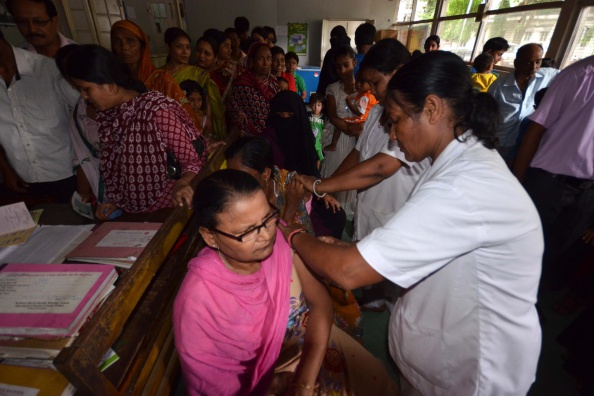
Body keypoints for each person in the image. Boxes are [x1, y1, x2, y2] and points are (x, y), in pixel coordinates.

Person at [286, 50, 543, 395]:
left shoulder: (464, 186)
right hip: (436, 354)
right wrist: (352, 247)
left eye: (396, 121)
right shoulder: (456, 163)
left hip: (469, 374)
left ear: (433, 109)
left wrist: (293, 234)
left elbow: (348, 272)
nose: (393, 136)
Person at [173, 169, 397, 395]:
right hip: (261, 386)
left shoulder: (279, 238)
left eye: (267, 218)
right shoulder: (198, 299)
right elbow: (214, 383)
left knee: (377, 383)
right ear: (210, 236)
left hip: (314, 348)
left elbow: (320, 304)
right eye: (248, 231)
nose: (265, 235)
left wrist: (304, 382)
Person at [299, 39, 429, 312]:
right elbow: (359, 154)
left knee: (398, 282)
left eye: (375, 82)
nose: (368, 90)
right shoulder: (376, 112)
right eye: (366, 83)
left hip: (395, 207)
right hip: (369, 204)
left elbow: (382, 166)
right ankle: (375, 301)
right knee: (370, 263)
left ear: (400, 71)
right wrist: (331, 184)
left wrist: (321, 185)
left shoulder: (412, 118)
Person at [226, 137, 363, 341]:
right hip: (274, 271)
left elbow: (306, 181)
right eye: (231, 175)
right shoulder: (238, 202)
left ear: (265, 173)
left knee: (342, 314)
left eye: (242, 176)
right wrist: (289, 210)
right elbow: (269, 247)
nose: (235, 184)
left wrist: (321, 192)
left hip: (305, 257)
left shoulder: (286, 181)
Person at [65, 44, 205, 219]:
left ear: (110, 86)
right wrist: (116, 202)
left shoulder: (156, 111)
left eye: (86, 89)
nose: (84, 97)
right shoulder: (110, 116)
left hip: (169, 211)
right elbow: (121, 170)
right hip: (135, 214)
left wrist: (183, 183)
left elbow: (192, 162)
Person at [513, 55, 594, 293]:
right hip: (550, 184)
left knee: (554, 254)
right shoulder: (578, 75)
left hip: (588, 193)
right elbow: (536, 129)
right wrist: (517, 182)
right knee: (524, 248)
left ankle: (528, 303)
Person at [0, 28, 78, 203]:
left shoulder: (49, 70)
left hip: (67, 176)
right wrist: (5, 169)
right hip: (21, 181)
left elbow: (87, 114)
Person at [110, 21, 204, 133]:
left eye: (130, 41)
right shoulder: (113, 83)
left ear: (143, 46)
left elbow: (186, 118)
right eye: (117, 41)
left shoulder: (161, 79)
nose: (124, 47)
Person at [488, 43, 558, 158]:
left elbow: (571, 75)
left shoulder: (546, 76)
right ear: (516, 63)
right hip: (497, 143)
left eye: (538, 62)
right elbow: (485, 116)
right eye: (528, 62)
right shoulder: (499, 86)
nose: (533, 67)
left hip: (522, 144)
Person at [160, 27, 226, 140]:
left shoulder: (198, 74)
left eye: (188, 47)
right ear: (168, 47)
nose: (185, 52)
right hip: (167, 129)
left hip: (195, 130)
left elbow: (208, 108)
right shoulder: (158, 75)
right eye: (179, 47)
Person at [321, 45, 358, 216]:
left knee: (352, 173)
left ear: (354, 63)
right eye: (338, 66)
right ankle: (330, 211)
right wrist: (348, 128)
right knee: (334, 171)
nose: (342, 70)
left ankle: (347, 214)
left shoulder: (364, 88)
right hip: (339, 136)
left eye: (346, 65)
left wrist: (357, 130)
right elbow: (332, 116)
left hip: (356, 140)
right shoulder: (332, 89)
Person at [229, 42, 279, 136]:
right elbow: (234, 109)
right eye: (260, 58)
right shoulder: (242, 83)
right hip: (249, 136)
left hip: (272, 133)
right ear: (252, 60)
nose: (265, 63)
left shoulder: (273, 81)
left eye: (268, 58)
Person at [6, 0, 76, 58]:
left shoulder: (79, 55)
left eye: (39, 22)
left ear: (55, 21)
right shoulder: (14, 60)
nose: (32, 29)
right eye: (22, 22)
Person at [316, 25, 351, 97]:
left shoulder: (349, 54)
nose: (342, 70)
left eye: (346, 65)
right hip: (330, 92)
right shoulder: (330, 54)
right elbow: (324, 77)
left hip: (347, 92)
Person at [308, 93, 327, 165]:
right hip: (309, 141)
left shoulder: (324, 118)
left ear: (322, 106)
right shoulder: (307, 116)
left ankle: (317, 174)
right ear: (310, 105)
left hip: (319, 143)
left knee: (318, 158)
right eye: (313, 105)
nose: (316, 107)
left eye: (318, 105)